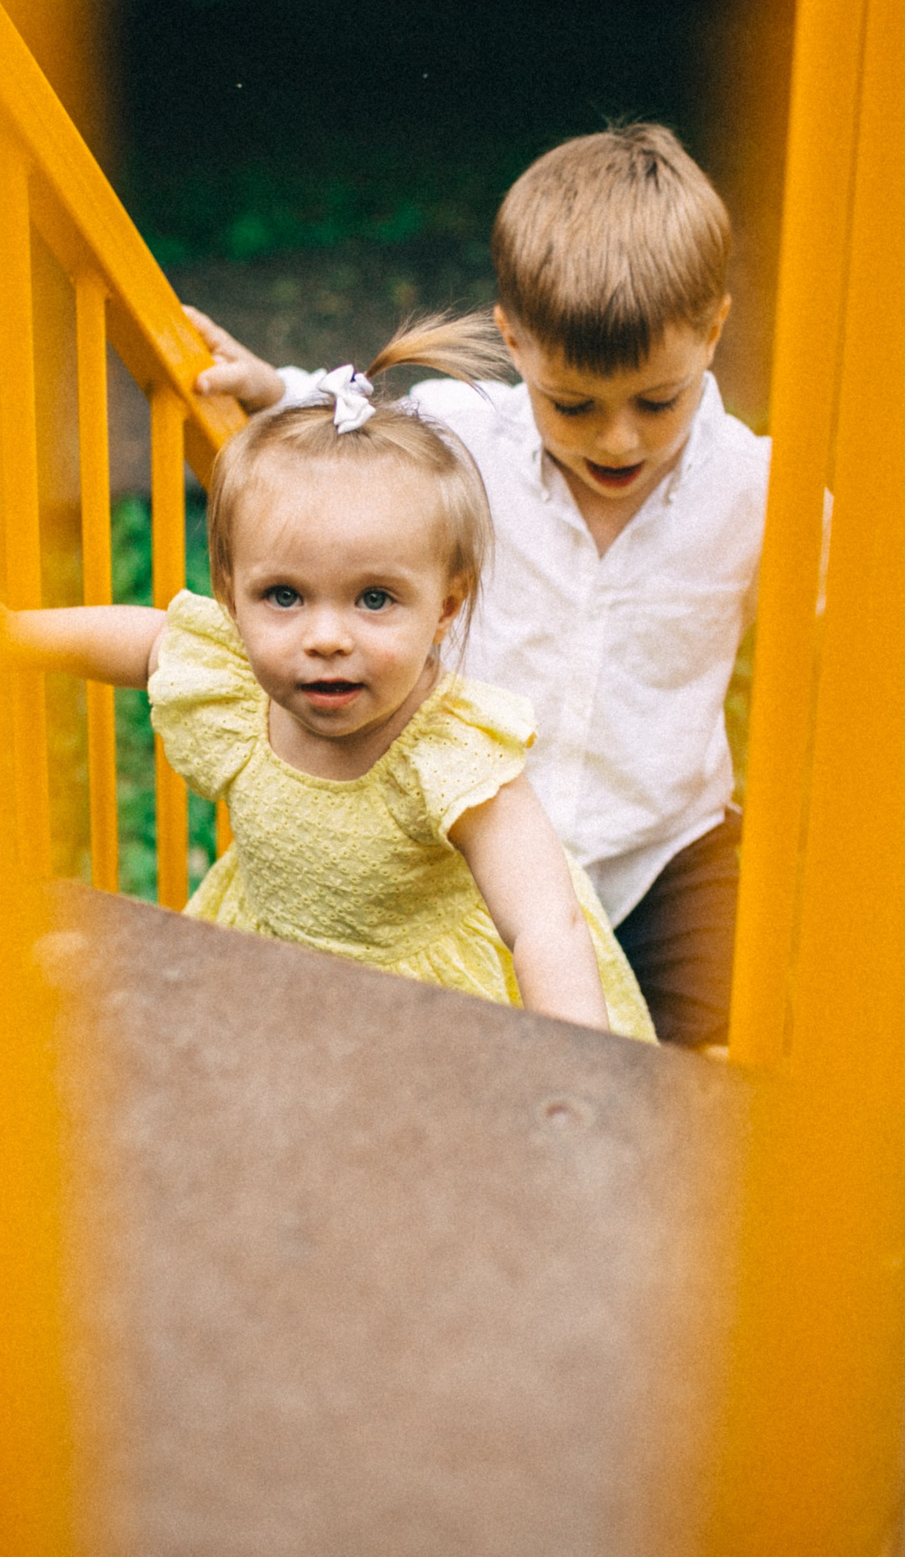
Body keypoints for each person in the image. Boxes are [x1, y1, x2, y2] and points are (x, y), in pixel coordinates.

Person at [186, 123, 765, 1050]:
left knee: (700, 1074)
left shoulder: (753, 486)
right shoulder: (464, 436)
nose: (618, 441)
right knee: (480, 1052)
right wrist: (272, 389)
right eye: (572, 403)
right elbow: (358, 436)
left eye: (659, 400)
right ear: (514, 339)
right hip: (474, 833)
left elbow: (886, 598)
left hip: (665, 851)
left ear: (714, 331)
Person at [7, 314, 656, 1044]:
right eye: (284, 595)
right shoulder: (239, 684)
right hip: (265, 965)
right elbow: (145, 640)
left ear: (445, 605)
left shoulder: (447, 755)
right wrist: (5, 634)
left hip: (422, 1021)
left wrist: (576, 1060)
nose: (324, 638)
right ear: (230, 592)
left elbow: (546, 920)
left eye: (374, 598)